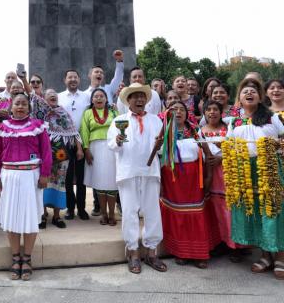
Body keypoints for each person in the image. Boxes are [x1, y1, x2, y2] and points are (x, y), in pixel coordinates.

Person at [224, 79, 284, 279]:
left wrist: (277, 146)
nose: (249, 93)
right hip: (244, 171)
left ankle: (281, 256)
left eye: (253, 91)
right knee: (256, 211)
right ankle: (265, 255)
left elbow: (283, 139)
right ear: (239, 98)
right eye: (244, 91)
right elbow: (229, 144)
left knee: (274, 210)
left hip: (269, 168)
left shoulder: (271, 117)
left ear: (260, 97)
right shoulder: (234, 121)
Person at [0, 93, 52, 281]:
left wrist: (44, 174)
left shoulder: (38, 127)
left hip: (31, 177)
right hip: (9, 176)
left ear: (29, 107)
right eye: (17, 103)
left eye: (24, 104)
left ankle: (27, 258)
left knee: (30, 217)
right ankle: (15, 257)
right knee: (12, 217)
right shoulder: (2, 128)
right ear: (11, 106)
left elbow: (46, 151)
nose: (20, 107)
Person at [108, 83, 166, 274]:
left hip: (150, 172)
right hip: (127, 172)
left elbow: (163, 149)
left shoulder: (156, 121)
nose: (139, 99)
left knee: (152, 212)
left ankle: (152, 252)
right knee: (130, 212)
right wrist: (116, 141)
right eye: (135, 96)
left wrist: (161, 146)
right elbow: (112, 145)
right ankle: (132, 252)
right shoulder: (119, 120)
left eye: (142, 96)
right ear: (128, 101)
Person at [159, 101, 213, 268]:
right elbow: (158, 159)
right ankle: (181, 252)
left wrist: (209, 177)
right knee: (178, 214)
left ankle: (200, 254)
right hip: (172, 179)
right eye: (174, 110)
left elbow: (208, 154)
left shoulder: (195, 131)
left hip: (193, 179)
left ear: (187, 113)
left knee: (195, 213)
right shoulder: (164, 132)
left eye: (181, 109)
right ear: (168, 113)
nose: (178, 112)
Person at [26, 88, 82, 229]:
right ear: (43, 99)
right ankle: (43, 215)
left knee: (60, 183)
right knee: (43, 183)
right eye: (49, 94)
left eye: (55, 95)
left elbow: (74, 132)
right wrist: (24, 80)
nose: (53, 96)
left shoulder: (63, 113)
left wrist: (79, 149)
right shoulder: (41, 112)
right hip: (43, 154)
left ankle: (57, 216)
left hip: (62, 155)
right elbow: (33, 95)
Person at [198, 100, 244, 260]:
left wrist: (222, 158)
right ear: (204, 113)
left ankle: (236, 246)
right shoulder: (200, 131)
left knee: (230, 211)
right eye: (208, 109)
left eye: (215, 109)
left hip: (229, 174)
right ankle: (219, 243)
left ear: (221, 112)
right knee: (215, 211)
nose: (212, 112)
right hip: (210, 176)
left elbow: (239, 148)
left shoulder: (229, 129)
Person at [81, 88, 118, 225]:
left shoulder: (114, 112)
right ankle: (103, 214)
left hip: (112, 148)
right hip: (95, 149)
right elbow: (84, 131)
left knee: (112, 183)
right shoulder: (88, 113)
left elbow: (121, 128)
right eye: (95, 96)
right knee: (100, 183)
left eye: (101, 96)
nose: (98, 98)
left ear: (106, 99)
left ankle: (112, 214)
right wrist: (86, 149)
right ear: (92, 100)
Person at [58, 69, 89, 220]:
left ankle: (82, 208)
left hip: (82, 140)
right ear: (65, 80)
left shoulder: (86, 97)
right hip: (64, 142)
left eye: (75, 77)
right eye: (69, 77)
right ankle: (70, 208)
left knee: (82, 177)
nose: (72, 79)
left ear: (79, 79)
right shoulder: (59, 97)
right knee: (67, 177)